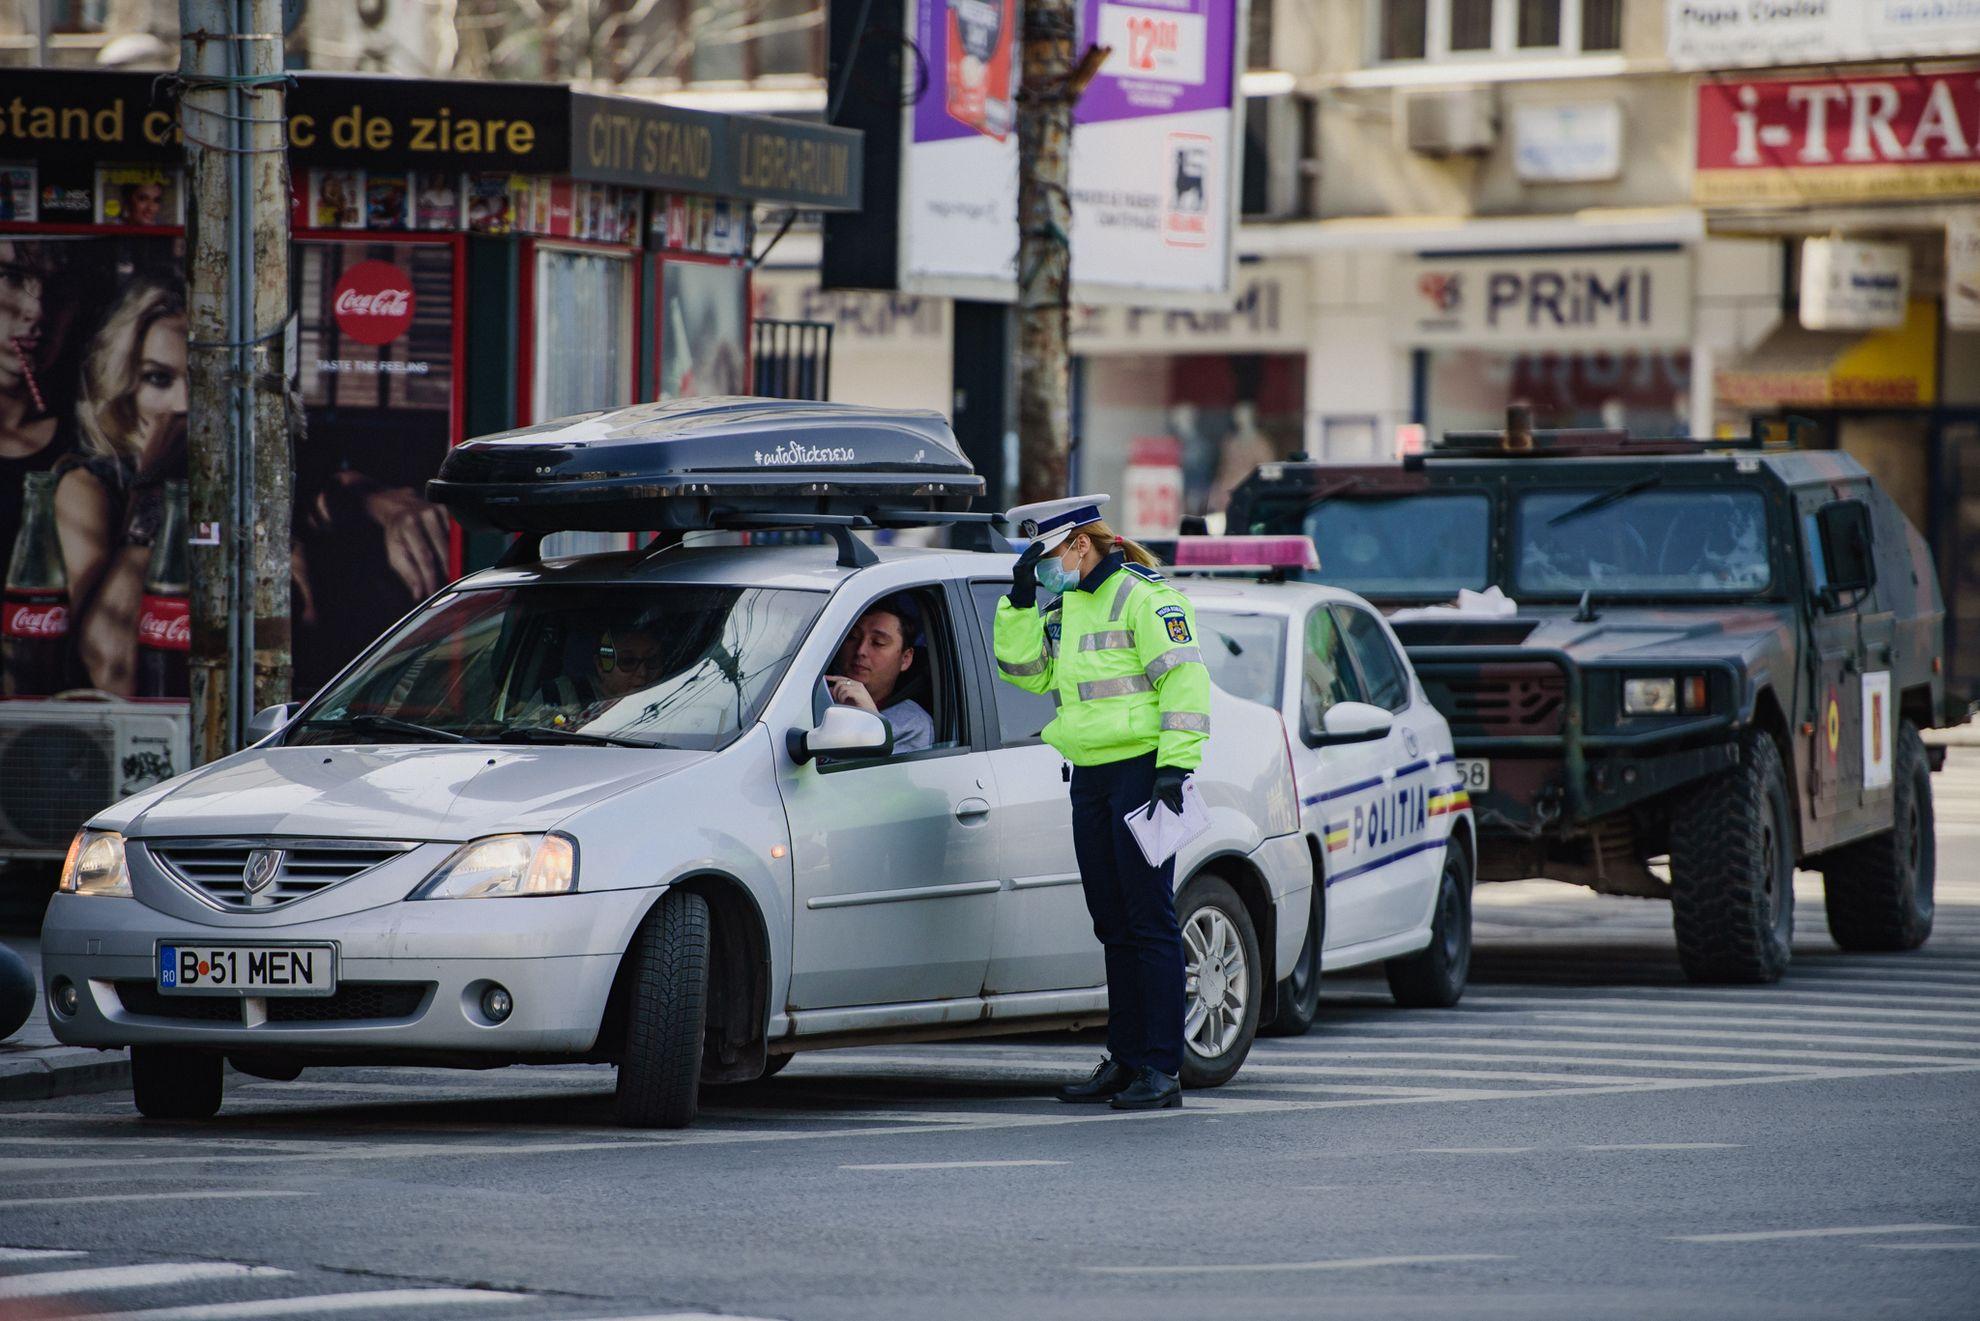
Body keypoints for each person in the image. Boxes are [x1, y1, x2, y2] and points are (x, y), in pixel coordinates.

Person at [993, 495, 1212, 1111]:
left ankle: (1162, 1068)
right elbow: (1026, 673)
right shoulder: (1064, 604)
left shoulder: (1146, 597)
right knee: (1111, 921)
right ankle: (1126, 1058)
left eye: (1047, 555)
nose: (1044, 567)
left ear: (1080, 545)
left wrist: (1175, 764)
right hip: (1089, 775)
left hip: (1142, 773)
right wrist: (1017, 603)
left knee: (1148, 920)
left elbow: (1185, 681)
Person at [54, 278, 186, 694]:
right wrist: (153, 490)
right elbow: (112, 666)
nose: (184, 404)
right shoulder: (89, 486)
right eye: (159, 379)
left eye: (204, 378)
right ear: (124, 385)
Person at [827, 594, 934, 754]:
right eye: (852, 637)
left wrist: (872, 723)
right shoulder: (811, 697)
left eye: (878, 643)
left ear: (905, 659)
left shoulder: (912, 725)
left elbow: (882, 778)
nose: (860, 650)